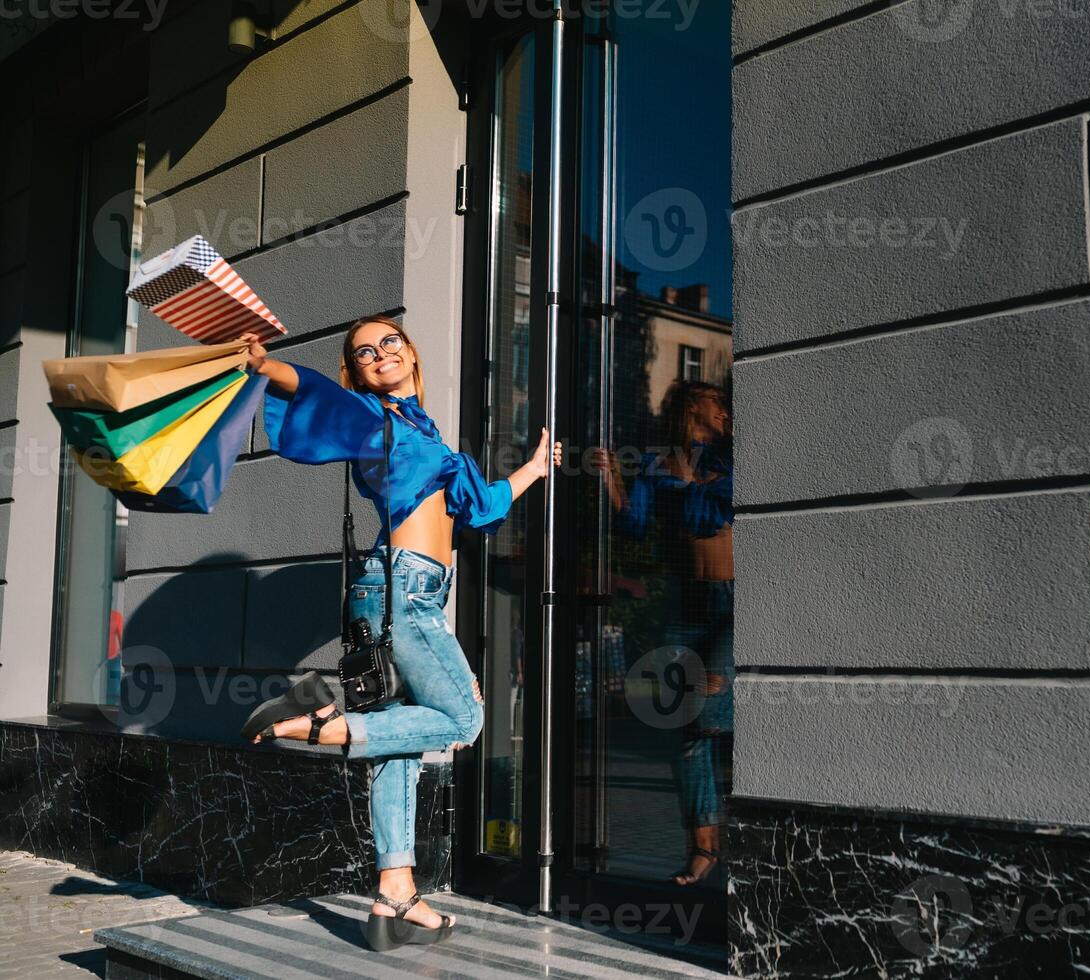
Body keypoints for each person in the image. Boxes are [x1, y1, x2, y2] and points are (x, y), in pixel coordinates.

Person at [235, 316, 560, 950]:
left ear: (410, 351)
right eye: (364, 352)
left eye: (389, 343)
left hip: (407, 595)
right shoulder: (370, 416)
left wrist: (533, 470)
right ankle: (323, 726)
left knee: (398, 750)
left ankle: (395, 895)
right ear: (355, 371)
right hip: (402, 590)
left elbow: (480, 506)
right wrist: (265, 365)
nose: (380, 353)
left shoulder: (422, 429)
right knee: (464, 722)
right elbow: (313, 393)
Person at [591, 380, 733, 886]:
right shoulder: (659, 466)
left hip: (736, 604)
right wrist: (611, 480)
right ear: (696, 405)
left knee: (711, 708)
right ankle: (703, 846)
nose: (726, 414)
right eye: (719, 405)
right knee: (687, 732)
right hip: (687, 605)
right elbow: (634, 526)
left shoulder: (734, 457)